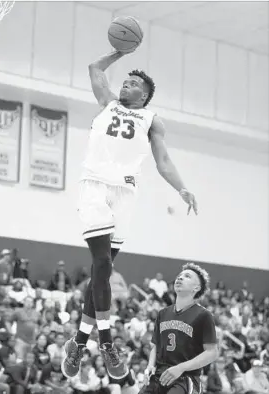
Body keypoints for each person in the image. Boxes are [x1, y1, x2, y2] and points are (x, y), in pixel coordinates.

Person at [62, 48, 198, 380]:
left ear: (146, 96)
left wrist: (181, 188)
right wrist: (119, 52)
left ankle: (80, 341)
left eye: (134, 83)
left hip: (126, 192)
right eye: (126, 80)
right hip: (93, 185)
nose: (126, 84)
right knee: (103, 264)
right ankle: (107, 342)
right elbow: (94, 67)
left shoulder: (152, 120)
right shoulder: (108, 102)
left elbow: (162, 161)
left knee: (101, 271)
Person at [141, 262, 218, 394]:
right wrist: (149, 367)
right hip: (158, 376)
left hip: (185, 378)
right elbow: (155, 346)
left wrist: (180, 368)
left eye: (187, 276)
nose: (180, 278)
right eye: (179, 276)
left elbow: (212, 353)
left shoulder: (204, 315)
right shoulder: (163, 313)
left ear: (196, 288)